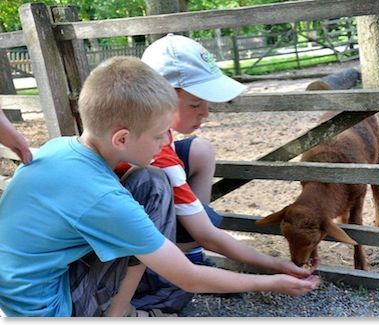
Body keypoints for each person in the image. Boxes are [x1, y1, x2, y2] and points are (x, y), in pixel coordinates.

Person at [0, 56, 320, 317]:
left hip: (22, 289)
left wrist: (276, 264)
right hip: (49, 310)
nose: (167, 141)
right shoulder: (103, 197)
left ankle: (120, 308)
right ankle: (116, 315)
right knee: (154, 189)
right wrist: (271, 282)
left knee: (149, 181)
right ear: (122, 139)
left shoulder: (60, 147)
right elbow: (189, 278)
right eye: (159, 134)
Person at [114, 34, 321, 314]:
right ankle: (146, 291)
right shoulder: (157, 154)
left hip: (128, 223)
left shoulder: (146, 131)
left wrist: (276, 265)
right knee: (197, 231)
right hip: (121, 247)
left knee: (200, 152)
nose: (206, 114)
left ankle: (190, 254)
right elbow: (209, 234)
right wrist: (273, 273)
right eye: (196, 104)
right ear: (161, 97)